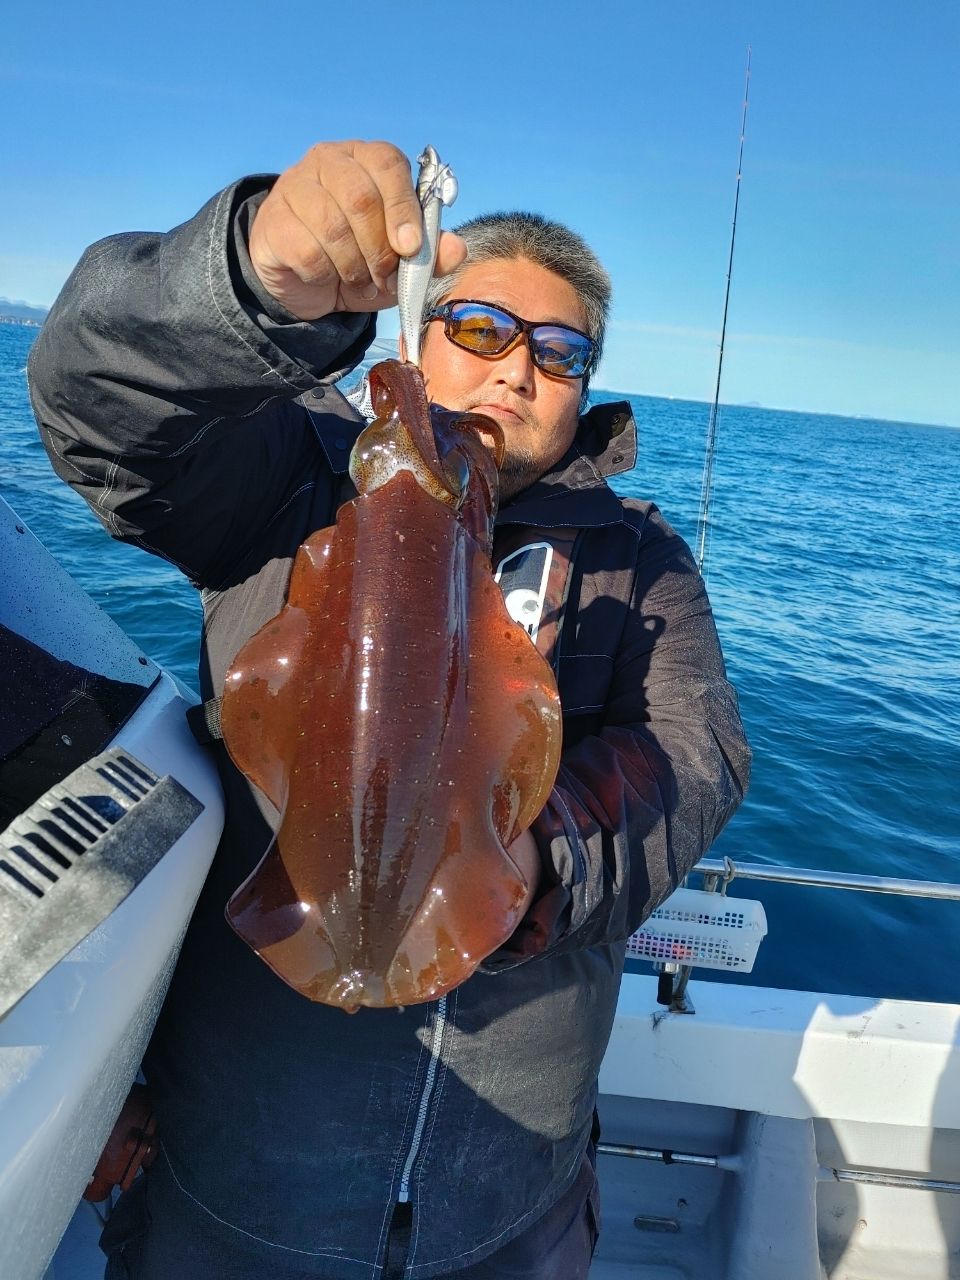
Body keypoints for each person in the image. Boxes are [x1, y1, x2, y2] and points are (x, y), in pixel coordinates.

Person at [28, 141, 751, 1279]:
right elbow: (97, 404)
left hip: (513, 1199)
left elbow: (694, 751)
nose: (516, 370)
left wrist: (521, 868)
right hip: (245, 1171)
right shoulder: (289, 483)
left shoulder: (638, 559)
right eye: (479, 329)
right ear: (413, 329)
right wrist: (251, 277)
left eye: (560, 353)